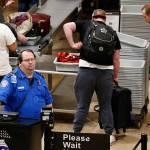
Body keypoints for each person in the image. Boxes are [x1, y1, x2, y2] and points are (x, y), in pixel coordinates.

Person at [63, 9, 121, 145]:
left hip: (86, 72)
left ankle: (76, 134)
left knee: (82, 105)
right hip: (106, 74)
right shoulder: (112, 32)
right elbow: (117, 58)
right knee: (106, 105)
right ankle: (108, 135)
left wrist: (72, 44)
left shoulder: (85, 24)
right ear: (105, 19)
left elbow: (66, 26)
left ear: (93, 17)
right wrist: (116, 77)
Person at [0, 49, 53, 119]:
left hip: (38, 125)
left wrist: (48, 122)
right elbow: (1, 99)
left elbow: (48, 103)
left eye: (32, 59)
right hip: (19, 125)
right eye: (27, 60)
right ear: (20, 62)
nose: (30, 62)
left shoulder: (40, 78)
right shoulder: (11, 79)